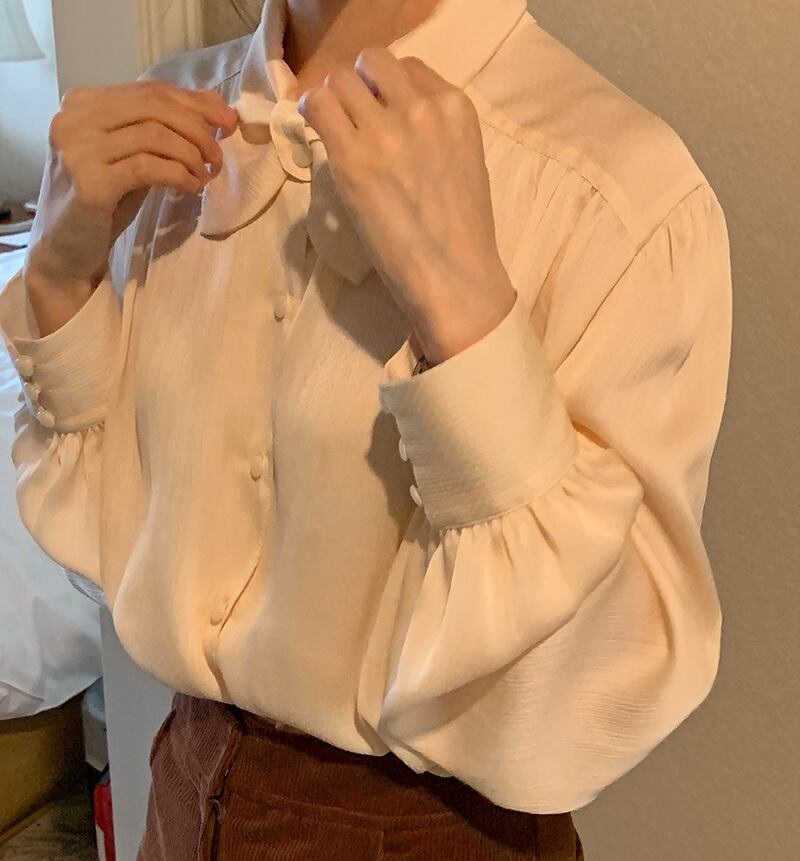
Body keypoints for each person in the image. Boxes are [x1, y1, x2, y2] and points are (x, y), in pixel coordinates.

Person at [0, 0, 733, 857]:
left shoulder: (619, 191)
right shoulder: (166, 127)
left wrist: (465, 315)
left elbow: (590, 691)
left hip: (433, 831)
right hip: (182, 791)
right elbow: (110, 533)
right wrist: (60, 280)